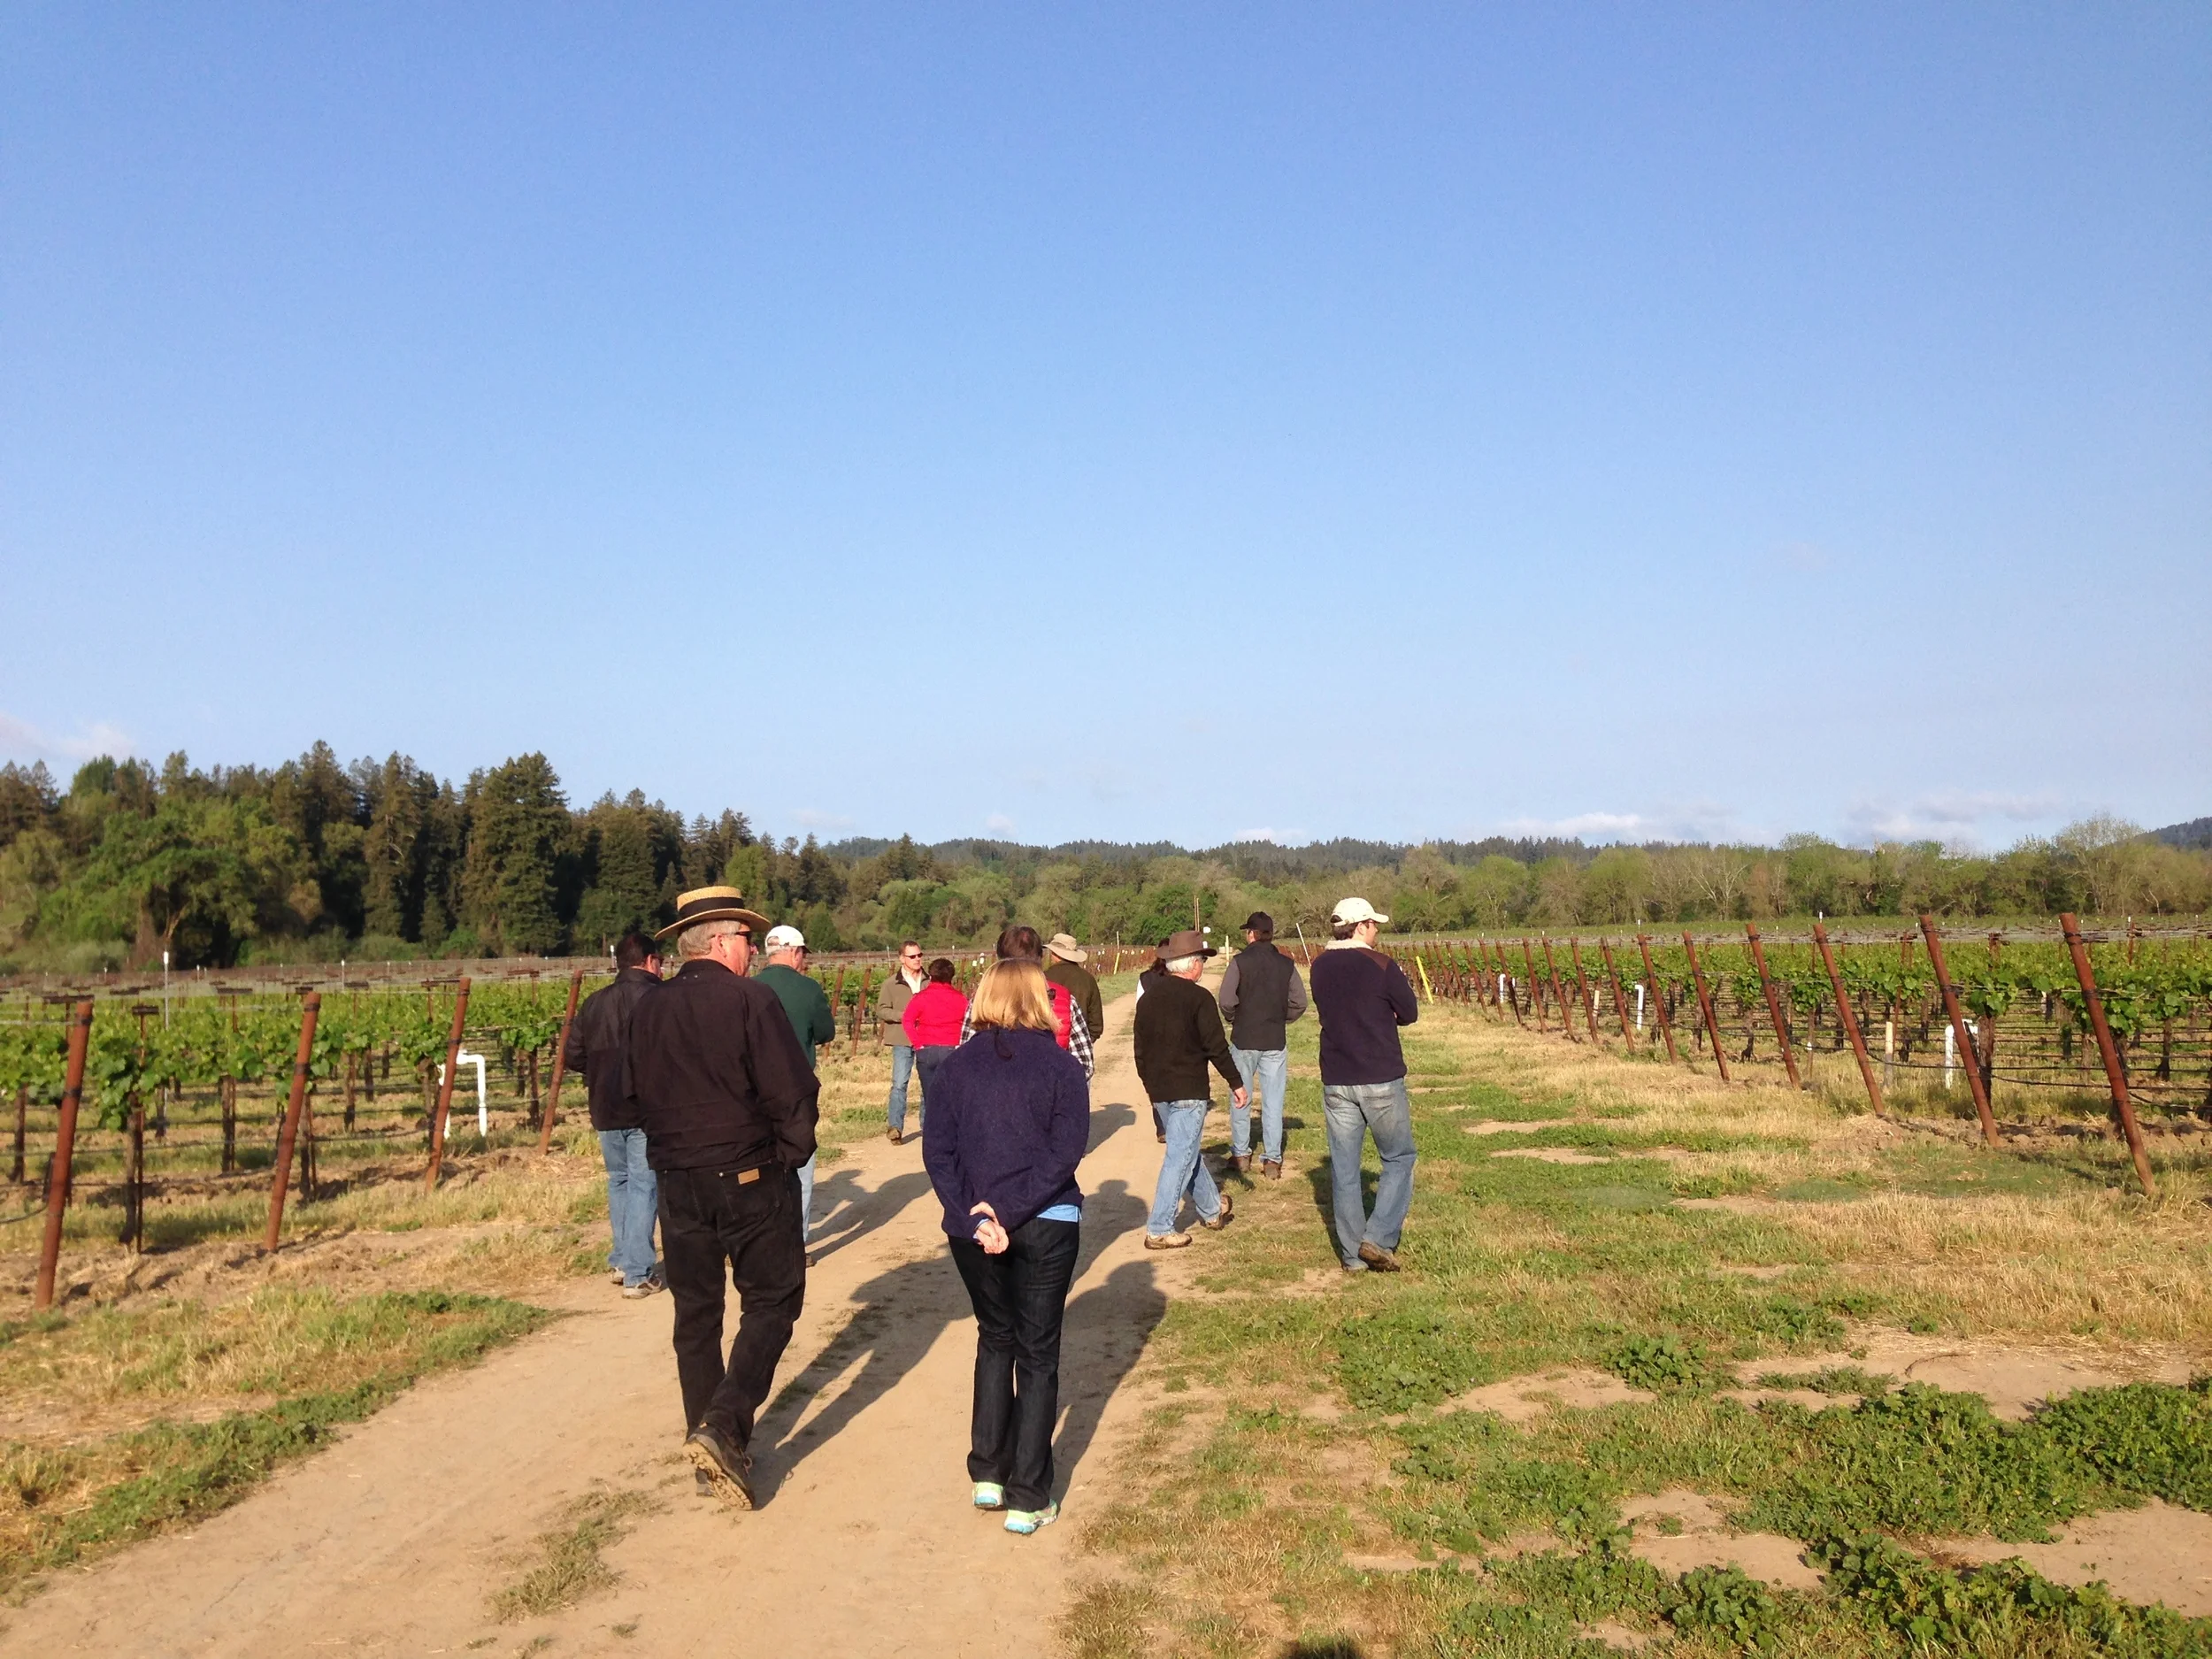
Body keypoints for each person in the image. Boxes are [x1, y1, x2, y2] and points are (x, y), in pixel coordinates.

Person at [626, 886, 818, 1509]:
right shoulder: (750, 999)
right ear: (717, 940)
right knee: (774, 1298)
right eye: (745, 938)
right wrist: (790, 1155)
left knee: (696, 1315)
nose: (751, 950)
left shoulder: (648, 1008)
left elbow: (627, 1093)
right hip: (748, 1172)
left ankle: (707, 1442)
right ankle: (724, 1424)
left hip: (676, 1178)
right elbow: (793, 1091)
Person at [921, 958, 1090, 1536]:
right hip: (1046, 1221)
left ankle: (988, 1472)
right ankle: (1028, 1496)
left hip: (974, 1228)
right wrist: (1007, 1212)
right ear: (1040, 999)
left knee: (996, 1337)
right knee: (1037, 1353)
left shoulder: (955, 1067)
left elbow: (938, 1152)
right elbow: (1064, 1153)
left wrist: (974, 1213)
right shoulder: (1062, 1068)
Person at [1308, 897, 1418, 1273]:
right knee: (1399, 1158)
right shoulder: (1381, 965)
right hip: (1379, 1074)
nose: (1377, 931)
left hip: (1337, 1077)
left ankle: (1353, 1257)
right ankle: (1379, 1237)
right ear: (1360, 927)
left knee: (1344, 1168)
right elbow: (1409, 1012)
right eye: (1374, 925)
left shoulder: (1319, 966)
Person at [562, 929, 665, 1297]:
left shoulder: (594, 1003)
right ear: (650, 961)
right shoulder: (658, 999)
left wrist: (600, 1073)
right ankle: (638, 1273)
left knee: (619, 1180)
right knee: (644, 1184)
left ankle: (622, 1260)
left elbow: (573, 1055)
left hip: (604, 1106)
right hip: (645, 1107)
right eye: (660, 962)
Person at [1133, 928, 1247, 1249]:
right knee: (1179, 1158)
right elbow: (1216, 1047)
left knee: (1186, 1152)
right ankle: (1159, 1228)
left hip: (1160, 1091)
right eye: (1202, 960)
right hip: (1189, 1090)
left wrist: (1149, 1085)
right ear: (1193, 964)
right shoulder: (1200, 998)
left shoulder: (1148, 998)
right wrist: (1236, 1082)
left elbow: (1140, 1049)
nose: (1203, 966)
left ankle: (1212, 1209)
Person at [757, 923, 837, 1254]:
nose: (804, 959)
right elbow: (826, 1032)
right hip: (796, 1088)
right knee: (801, 1164)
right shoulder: (808, 988)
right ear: (792, 951)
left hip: (754, 1090)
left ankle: (761, 1240)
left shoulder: (748, 987)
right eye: (803, 952)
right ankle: (794, 1244)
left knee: (760, 1164)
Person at [1216, 910, 1308, 1181]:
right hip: (1274, 1040)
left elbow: (1226, 1001)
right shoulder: (1286, 964)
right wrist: (1281, 1019)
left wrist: (1235, 1019)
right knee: (1273, 1101)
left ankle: (1241, 1155)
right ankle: (1272, 1160)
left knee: (1240, 1097)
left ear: (1251, 934)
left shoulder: (1239, 962)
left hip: (1244, 1039)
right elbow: (1300, 1002)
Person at [958, 926, 1094, 1079]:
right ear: (1040, 959)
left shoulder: (982, 1001)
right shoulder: (1064, 999)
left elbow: (964, 1057)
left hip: (989, 1088)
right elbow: (1084, 1064)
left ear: (999, 960)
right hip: (1049, 1089)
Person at [900, 956, 968, 1140]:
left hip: (927, 1050)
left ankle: (933, 1136)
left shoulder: (921, 998)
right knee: (953, 1096)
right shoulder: (960, 999)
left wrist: (918, 1044)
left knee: (930, 1097)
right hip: (953, 1050)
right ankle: (953, 1135)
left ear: (931, 975)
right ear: (952, 976)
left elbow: (907, 1020)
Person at [875, 940, 927, 1144]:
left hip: (926, 1038)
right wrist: (904, 1016)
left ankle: (927, 1126)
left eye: (919, 955)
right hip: (902, 1038)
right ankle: (895, 1128)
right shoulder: (890, 984)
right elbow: (881, 1010)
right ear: (902, 959)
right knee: (899, 1084)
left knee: (927, 1083)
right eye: (912, 956)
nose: (917, 959)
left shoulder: (929, 982)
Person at [1042, 933, 1104, 1044]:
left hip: (1049, 1044)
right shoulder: (1088, 979)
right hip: (1080, 1043)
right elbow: (1096, 1023)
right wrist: (1084, 1042)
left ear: (1054, 954)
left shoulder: (1043, 978)